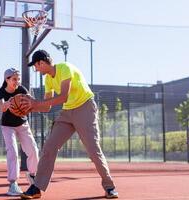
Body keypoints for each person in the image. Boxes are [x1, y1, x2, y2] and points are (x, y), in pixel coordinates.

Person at [20, 50, 119, 199]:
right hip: (67, 112)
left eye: (36, 66)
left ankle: (109, 187)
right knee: (49, 147)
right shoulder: (48, 80)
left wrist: (36, 103)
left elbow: (64, 96)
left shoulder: (64, 68)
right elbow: (47, 107)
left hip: (85, 107)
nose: (36, 69)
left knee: (93, 150)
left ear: (41, 62)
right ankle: (37, 188)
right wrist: (31, 107)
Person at [0, 67, 39, 196]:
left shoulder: (21, 89)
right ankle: (13, 184)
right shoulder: (0, 93)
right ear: (7, 79)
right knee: (13, 152)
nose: (17, 81)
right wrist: (10, 103)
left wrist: (30, 103)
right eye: (14, 79)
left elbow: (30, 100)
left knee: (33, 150)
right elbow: (2, 108)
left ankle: (32, 176)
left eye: (18, 79)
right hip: (8, 126)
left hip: (22, 124)